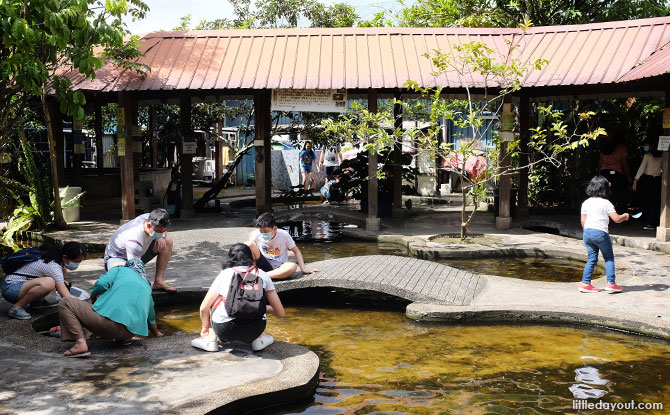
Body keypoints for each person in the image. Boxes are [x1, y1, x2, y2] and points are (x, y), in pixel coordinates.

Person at [57, 259, 163, 357]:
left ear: (128, 266)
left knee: (65, 303)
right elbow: (151, 316)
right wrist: (157, 334)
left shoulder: (121, 269)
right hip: (130, 333)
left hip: (109, 326)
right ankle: (125, 340)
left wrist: (93, 296)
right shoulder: (146, 285)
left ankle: (80, 343)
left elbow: (102, 283)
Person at [193, 243, 285, 352]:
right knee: (258, 302)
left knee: (216, 300)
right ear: (251, 258)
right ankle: (258, 339)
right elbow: (280, 313)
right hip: (254, 330)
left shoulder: (224, 274)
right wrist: (265, 308)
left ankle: (211, 340)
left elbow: (204, 307)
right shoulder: (261, 274)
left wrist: (205, 327)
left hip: (225, 330)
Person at [2, 242, 87, 320]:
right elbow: (66, 296)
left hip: (21, 285)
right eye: (76, 261)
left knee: (58, 275)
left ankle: (38, 303)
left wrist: (61, 282)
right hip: (11, 289)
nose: (77, 264)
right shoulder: (53, 266)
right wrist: (79, 310)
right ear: (65, 257)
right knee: (49, 283)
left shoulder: (56, 258)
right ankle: (16, 307)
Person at [104, 208, 175, 292]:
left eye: (163, 231)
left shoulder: (151, 217)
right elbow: (134, 267)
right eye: (158, 231)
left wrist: (162, 236)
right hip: (117, 259)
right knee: (128, 282)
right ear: (148, 225)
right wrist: (144, 282)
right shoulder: (134, 238)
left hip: (138, 253)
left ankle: (158, 282)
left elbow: (162, 230)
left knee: (167, 241)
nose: (160, 234)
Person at [579, 175, 630, 294]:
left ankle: (585, 283)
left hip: (587, 232)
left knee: (591, 258)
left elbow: (582, 221)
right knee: (608, 258)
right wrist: (625, 216)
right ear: (605, 189)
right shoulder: (606, 203)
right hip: (600, 233)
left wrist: (588, 231)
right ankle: (611, 284)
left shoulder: (586, 203)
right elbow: (616, 219)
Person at [246, 212, 320, 280]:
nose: (263, 234)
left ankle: (260, 275)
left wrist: (303, 269)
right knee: (249, 244)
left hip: (279, 267)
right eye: (261, 231)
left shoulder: (284, 235)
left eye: (265, 231)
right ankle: (253, 272)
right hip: (263, 263)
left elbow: (296, 251)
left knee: (292, 266)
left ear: (274, 229)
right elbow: (251, 249)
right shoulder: (256, 233)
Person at [633, 138, 663, 231]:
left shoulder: (647, 155)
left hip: (648, 180)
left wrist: (635, 180)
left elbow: (641, 169)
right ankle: (656, 221)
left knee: (648, 201)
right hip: (657, 180)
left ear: (652, 146)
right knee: (655, 201)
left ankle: (650, 222)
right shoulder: (662, 156)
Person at [599, 134, 632, 214]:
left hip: (604, 173)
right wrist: (629, 178)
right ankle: (623, 217)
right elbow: (625, 165)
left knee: (605, 195)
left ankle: (604, 216)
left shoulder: (604, 147)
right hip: (617, 173)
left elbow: (600, 163)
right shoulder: (622, 148)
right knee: (620, 196)